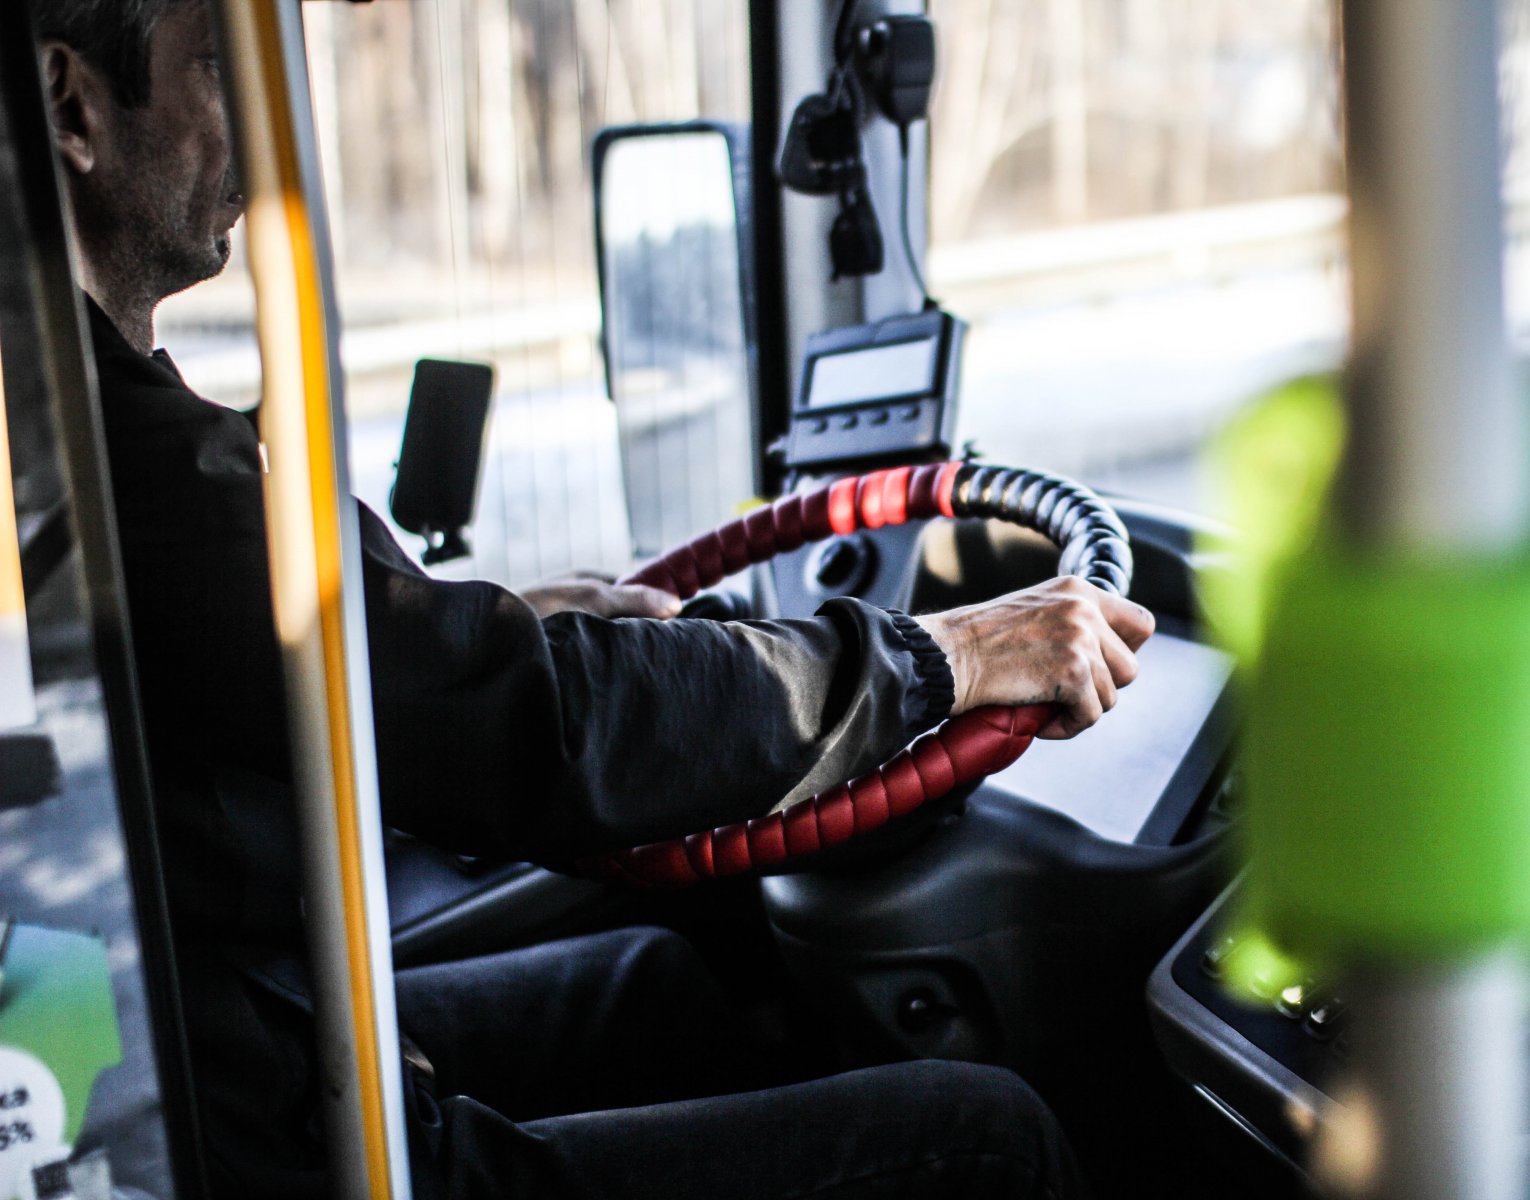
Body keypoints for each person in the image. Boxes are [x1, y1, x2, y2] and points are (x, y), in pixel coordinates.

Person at [32, 0, 1155, 1196]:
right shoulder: (107, 467)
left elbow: (335, 662)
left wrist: (500, 615)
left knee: (665, 983)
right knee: (982, 1139)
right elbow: (547, 727)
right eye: (222, 71)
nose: (269, 136)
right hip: (231, 1127)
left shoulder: (79, 422)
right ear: (72, 109)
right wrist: (944, 660)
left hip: (201, 1042)